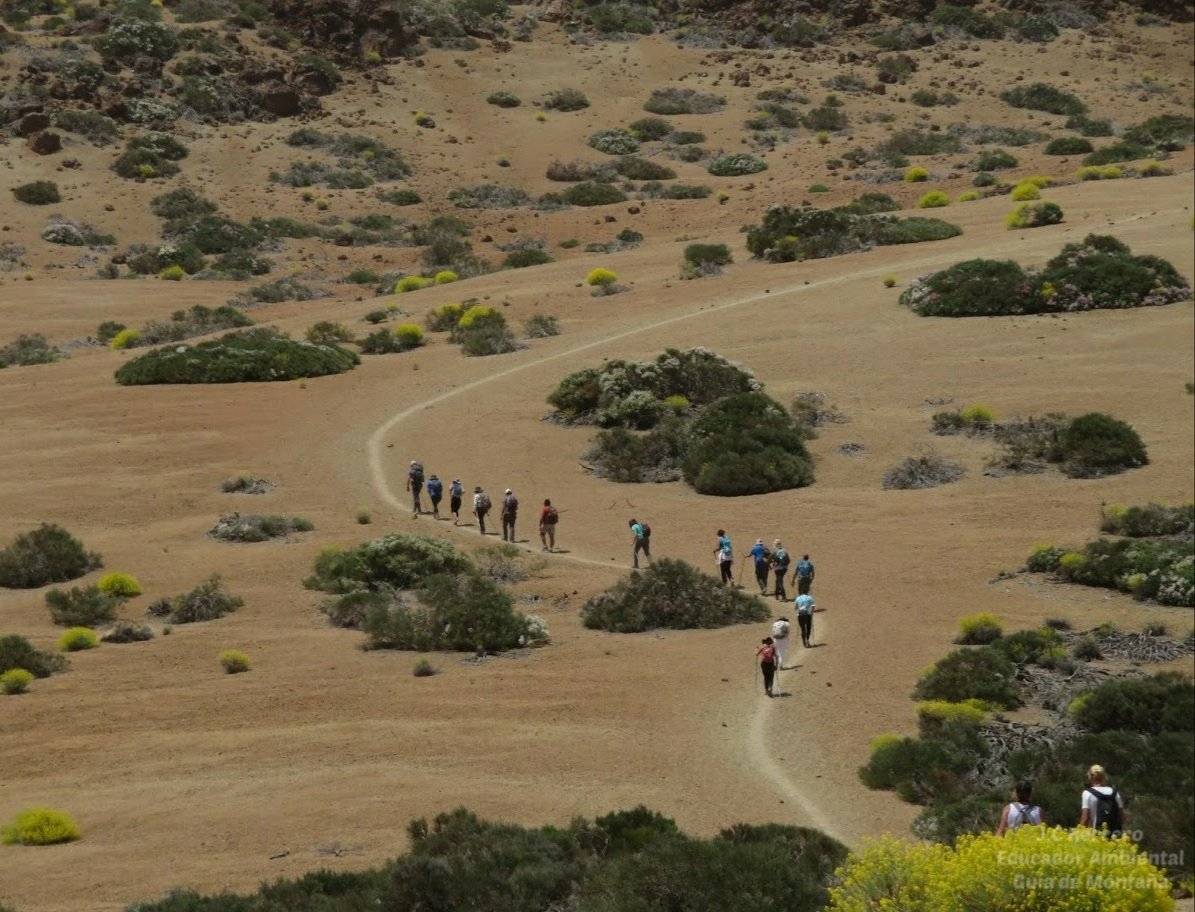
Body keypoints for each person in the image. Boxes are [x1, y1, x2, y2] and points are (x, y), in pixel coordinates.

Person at [1079, 764, 1126, 836]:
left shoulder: (1087, 793)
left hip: (1096, 836)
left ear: (1090, 777)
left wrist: (1079, 834)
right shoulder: (1115, 793)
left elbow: (1085, 819)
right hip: (1115, 837)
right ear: (1104, 777)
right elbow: (1122, 818)